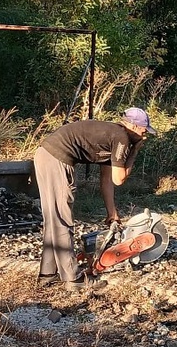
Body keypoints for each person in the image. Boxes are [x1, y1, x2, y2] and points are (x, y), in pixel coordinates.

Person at [33, 108, 155, 291]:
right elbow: (119, 179)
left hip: (47, 155)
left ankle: (48, 274)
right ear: (132, 126)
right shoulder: (121, 137)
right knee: (62, 220)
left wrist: (112, 213)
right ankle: (73, 279)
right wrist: (135, 151)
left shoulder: (112, 136)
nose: (144, 135)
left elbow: (107, 180)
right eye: (143, 130)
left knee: (54, 219)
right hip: (56, 158)